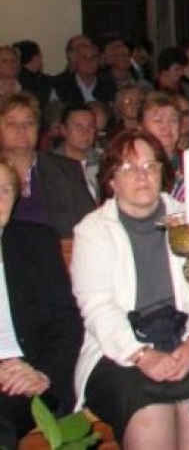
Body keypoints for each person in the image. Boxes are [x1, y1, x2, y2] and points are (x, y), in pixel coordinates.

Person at [70, 129, 189, 449]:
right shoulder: (93, 230)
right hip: (118, 351)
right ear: (111, 180)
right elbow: (98, 307)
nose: (142, 176)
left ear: (164, 172)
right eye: (129, 168)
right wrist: (141, 355)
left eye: (150, 166)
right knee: (150, 414)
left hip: (187, 339)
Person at [0, 157, 83, 450]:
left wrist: (42, 373)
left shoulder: (36, 243)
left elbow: (66, 324)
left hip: (27, 374)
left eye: (4, 191)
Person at [0, 92, 94, 237]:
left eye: (29, 123)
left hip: (60, 253)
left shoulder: (67, 170)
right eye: (11, 123)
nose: (22, 129)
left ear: (38, 128)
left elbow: (90, 224)